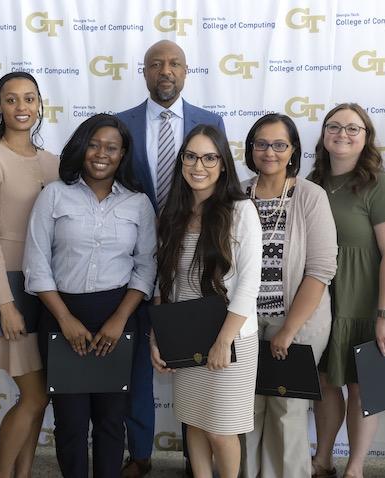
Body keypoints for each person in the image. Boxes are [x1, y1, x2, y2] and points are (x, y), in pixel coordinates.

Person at [23, 114, 156, 478]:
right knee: (71, 420)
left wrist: (118, 320)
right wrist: (65, 320)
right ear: (82, 148)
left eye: (112, 147)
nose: (102, 154)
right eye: (94, 145)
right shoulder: (54, 195)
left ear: (123, 154)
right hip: (61, 314)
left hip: (118, 315)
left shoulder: (138, 204)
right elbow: (36, 264)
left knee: (112, 419)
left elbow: (145, 269)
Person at [116, 39, 225, 477]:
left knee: (194, 358)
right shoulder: (120, 125)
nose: (166, 70)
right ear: (143, 72)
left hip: (194, 260)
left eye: (174, 63)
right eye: (156, 63)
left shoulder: (209, 122)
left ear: (186, 70)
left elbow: (220, 186)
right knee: (138, 360)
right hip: (133, 260)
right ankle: (140, 452)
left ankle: (192, 453)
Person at [150, 125, 261, 478]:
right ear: (182, 161)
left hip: (232, 338)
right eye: (191, 156)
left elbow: (248, 283)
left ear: (224, 164)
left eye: (210, 157)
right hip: (185, 334)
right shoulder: (173, 212)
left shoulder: (241, 211)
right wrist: (158, 338)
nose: (199, 165)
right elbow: (164, 282)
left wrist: (223, 341)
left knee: (221, 429)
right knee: (194, 422)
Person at [308, 103, 385, 478]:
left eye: (353, 128)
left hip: (367, 306)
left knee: (361, 387)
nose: (342, 134)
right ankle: (322, 460)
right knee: (324, 383)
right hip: (321, 305)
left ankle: (355, 467)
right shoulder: (313, 182)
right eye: (334, 126)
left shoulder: (380, 185)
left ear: (366, 137)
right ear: (323, 135)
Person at [0, 71, 58, 478]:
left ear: (41, 105)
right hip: (11, 284)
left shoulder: (53, 162)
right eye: (11, 99)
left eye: (29, 98)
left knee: (42, 397)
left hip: (49, 288)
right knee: (34, 396)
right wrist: (4, 303)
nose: (22, 107)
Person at [238, 114, 337, 478]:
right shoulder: (238, 193)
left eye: (280, 144)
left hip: (297, 323)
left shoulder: (311, 196)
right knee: (245, 412)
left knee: (287, 412)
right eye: (261, 143)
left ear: (293, 150)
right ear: (250, 148)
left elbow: (321, 270)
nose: (270, 151)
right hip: (244, 324)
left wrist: (288, 330)